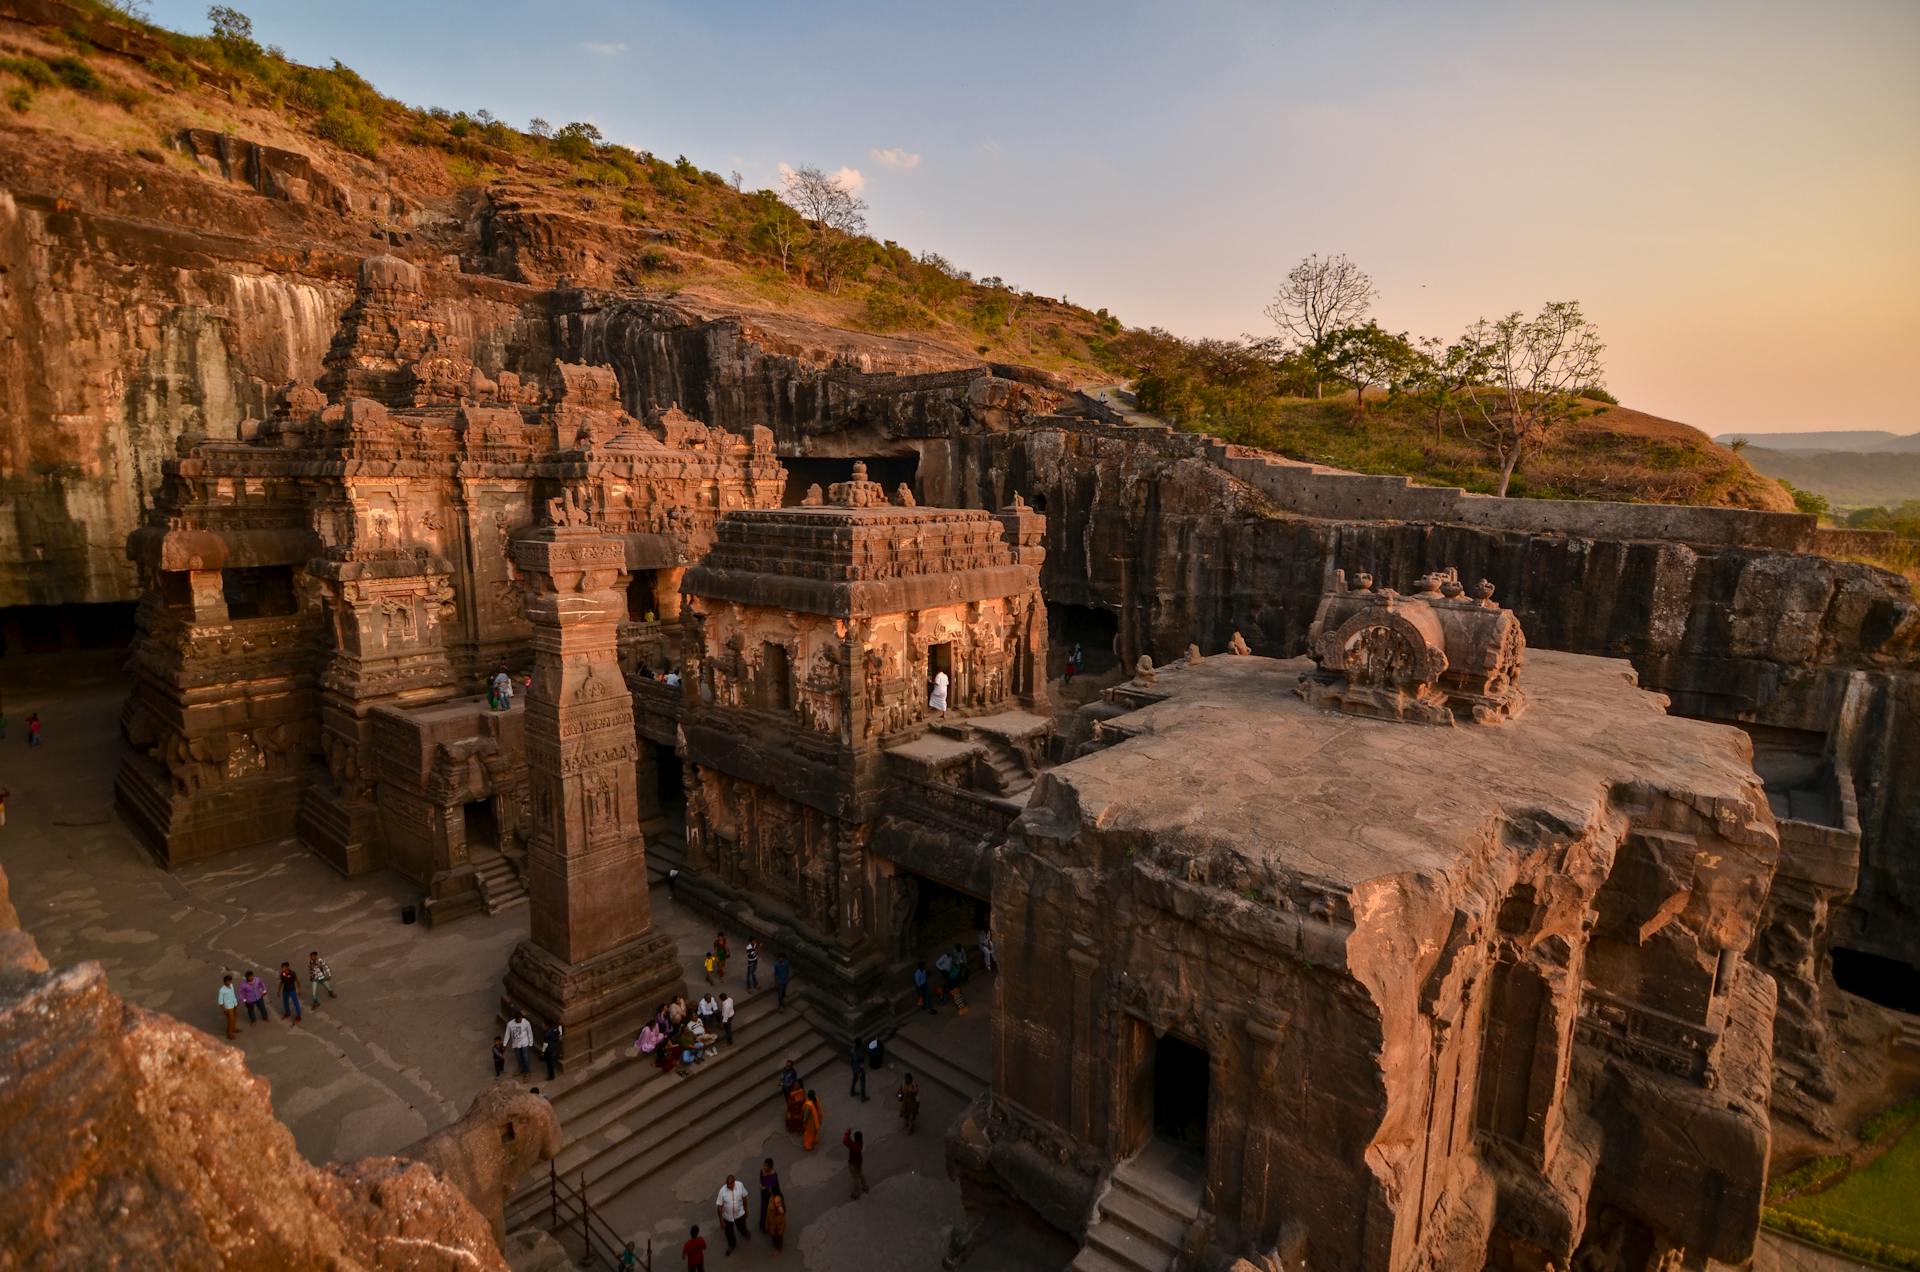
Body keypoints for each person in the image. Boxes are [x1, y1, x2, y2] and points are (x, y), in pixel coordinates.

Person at [714, 1174, 751, 1253]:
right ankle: (732, 1245)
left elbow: (744, 1198)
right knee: (729, 1232)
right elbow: (719, 1207)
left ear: (734, 1182)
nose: (729, 1186)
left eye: (731, 1184)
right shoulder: (722, 1191)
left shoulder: (740, 1185)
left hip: (739, 1213)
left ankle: (744, 1232)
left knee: (742, 1225)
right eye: (728, 1185)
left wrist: (746, 1209)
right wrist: (721, 1221)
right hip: (727, 1217)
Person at [503, 1010, 535, 1075]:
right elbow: (507, 1034)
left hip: (524, 1042)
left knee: (525, 1057)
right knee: (519, 1057)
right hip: (516, 1043)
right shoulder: (510, 1024)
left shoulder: (526, 1023)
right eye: (518, 1019)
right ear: (516, 1019)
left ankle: (527, 1071)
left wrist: (531, 1042)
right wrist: (504, 1044)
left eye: (521, 1018)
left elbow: (530, 1033)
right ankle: (520, 1068)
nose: (520, 1020)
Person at [757, 1158, 780, 1233]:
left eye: (766, 1166)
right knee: (763, 1209)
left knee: (770, 1211)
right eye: (764, 1165)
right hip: (764, 1194)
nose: (764, 1167)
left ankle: (770, 1225)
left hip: (770, 1196)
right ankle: (763, 1225)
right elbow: (761, 1179)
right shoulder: (762, 1171)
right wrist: (761, 1185)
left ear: (770, 1167)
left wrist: (765, 1187)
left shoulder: (773, 1175)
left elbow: (774, 1186)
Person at [842, 1129, 867, 1199]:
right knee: (860, 1173)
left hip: (853, 1163)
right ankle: (865, 1186)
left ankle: (856, 1192)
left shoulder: (853, 1146)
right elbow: (850, 1142)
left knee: (855, 1178)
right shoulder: (860, 1144)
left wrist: (847, 1133)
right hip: (859, 1162)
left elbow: (845, 1141)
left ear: (855, 1138)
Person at [765, 1189, 787, 1254]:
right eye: (777, 1202)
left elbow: (783, 1223)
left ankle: (778, 1249)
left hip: (777, 1229)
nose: (779, 1204)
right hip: (772, 1228)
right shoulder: (771, 1200)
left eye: (779, 1202)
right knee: (774, 1238)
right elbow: (768, 1215)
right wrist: (767, 1225)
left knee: (778, 1240)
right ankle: (776, 1243)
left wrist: (780, 1232)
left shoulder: (780, 1212)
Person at [217, 974, 239, 1039]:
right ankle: (229, 1034)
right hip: (228, 1008)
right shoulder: (222, 990)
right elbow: (220, 1001)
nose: (229, 982)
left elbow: (233, 995)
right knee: (230, 1020)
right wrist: (224, 1009)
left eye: (230, 981)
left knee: (234, 1018)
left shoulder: (231, 986)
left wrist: (236, 1003)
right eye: (227, 981)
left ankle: (233, 1029)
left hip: (234, 1004)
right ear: (224, 982)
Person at [848, 1037, 868, 1101]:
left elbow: (850, 1055)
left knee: (855, 1079)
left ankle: (852, 1092)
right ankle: (863, 1097)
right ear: (859, 1043)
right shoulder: (860, 1050)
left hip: (854, 1067)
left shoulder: (852, 1049)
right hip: (859, 1068)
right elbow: (861, 1058)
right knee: (862, 1081)